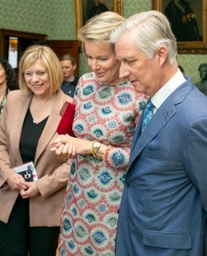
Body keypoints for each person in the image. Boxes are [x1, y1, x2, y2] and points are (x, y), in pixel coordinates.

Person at [110, 10, 207, 256]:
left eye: (130, 61)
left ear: (161, 54)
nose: (122, 73)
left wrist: (204, 248)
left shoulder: (196, 119)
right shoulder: (155, 98)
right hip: (138, 240)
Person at [49, 12, 148, 256]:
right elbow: (73, 133)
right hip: (78, 197)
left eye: (103, 58)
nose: (94, 66)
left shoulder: (140, 90)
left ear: (121, 52)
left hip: (116, 203)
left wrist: (91, 148)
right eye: (88, 56)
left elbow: (144, 159)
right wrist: (67, 146)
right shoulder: (84, 83)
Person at [0, 45, 72, 256]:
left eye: (41, 73)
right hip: (11, 196)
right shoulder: (14, 99)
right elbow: (1, 144)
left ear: (53, 72)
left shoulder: (71, 107)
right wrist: (8, 174)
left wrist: (41, 185)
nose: (34, 79)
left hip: (46, 201)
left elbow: (73, 162)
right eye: (28, 73)